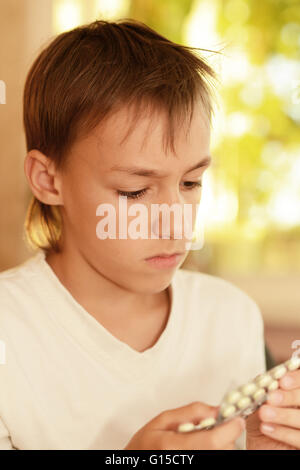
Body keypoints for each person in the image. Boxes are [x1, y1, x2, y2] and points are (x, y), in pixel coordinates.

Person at [0, 18, 298, 451]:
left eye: (191, 183)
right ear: (48, 180)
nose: (177, 222)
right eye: (134, 191)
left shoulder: (231, 319)